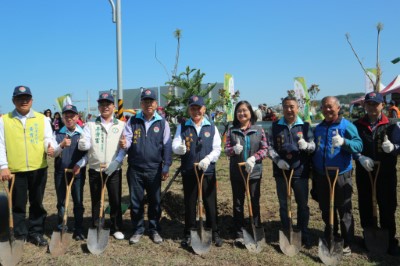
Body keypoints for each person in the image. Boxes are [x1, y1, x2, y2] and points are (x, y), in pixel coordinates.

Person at [0, 85, 53, 246]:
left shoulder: (42, 119)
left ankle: (36, 232)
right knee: (18, 204)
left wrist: (50, 147)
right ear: (13, 100)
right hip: (16, 170)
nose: (24, 101)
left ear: (32, 100)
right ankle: (20, 233)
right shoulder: (4, 120)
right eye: (19, 98)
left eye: (26, 98)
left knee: (37, 202)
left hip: (38, 168)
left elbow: (47, 139)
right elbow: (0, 144)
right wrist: (3, 166)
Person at [120, 89, 172, 245]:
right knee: (136, 202)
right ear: (141, 104)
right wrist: (124, 144)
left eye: (151, 101)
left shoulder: (162, 123)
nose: (148, 104)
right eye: (145, 101)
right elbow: (128, 140)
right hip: (135, 168)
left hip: (154, 169)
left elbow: (167, 145)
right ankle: (138, 229)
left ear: (156, 104)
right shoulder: (133, 121)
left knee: (155, 201)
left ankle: (154, 229)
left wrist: (166, 166)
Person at [312, 96, 363, 255]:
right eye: (324, 107)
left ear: (338, 108)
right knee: (326, 207)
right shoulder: (318, 127)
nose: (327, 110)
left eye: (330, 107)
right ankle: (331, 235)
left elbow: (358, 144)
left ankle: (348, 241)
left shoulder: (347, 125)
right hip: (322, 174)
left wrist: (344, 142)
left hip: (341, 174)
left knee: (344, 208)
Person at [172, 95, 223, 248]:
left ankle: (214, 231)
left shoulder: (211, 127)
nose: (196, 111)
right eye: (193, 108)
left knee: (210, 202)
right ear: (189, 110)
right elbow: (175, 144)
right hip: (189, 170)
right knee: (190, 202)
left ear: (204, 109)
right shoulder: (183, 127)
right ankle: (189, 232)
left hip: (207, 171)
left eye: (198, 108)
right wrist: (178, 149)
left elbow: (217, 149)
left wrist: (208, 159)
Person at [353, 92, 400, 256]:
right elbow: (352, 147)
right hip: (364, 172)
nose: (372, 107)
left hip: (386, 172)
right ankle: (368, 237)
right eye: (369, 104)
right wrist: (359, 157)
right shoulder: (357, 125)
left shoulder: (392, 124)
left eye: (376, 104)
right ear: (365, 105)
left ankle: (390, 240)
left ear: (383, 105)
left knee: (387, 205)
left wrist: (394, 148)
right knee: (365, 204)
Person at [78, 92, 126, 240]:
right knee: (97, 199)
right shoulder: (91, 124)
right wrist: (83, 144)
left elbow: (125, 147)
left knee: (115, 199)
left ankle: (116, 227)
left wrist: (117, 162)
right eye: (102, 105)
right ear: (98, 107)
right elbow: (84, 141)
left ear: (113, 107)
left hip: (114, 169)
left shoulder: (121, 125)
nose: (105, 107)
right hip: (95, 168)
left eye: (108, 104)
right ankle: (97, 224)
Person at [268, 96, 314, 246]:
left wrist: (307, 146)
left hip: (300, 171)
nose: (289, 109)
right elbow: (269, 147)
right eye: (286, 106)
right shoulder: (275, 126)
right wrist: (277, 160)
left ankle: (303, 232)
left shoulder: (305, 126)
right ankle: (287, 229)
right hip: (281, 172)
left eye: (292, 106)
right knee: (283, 203)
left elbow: (314, 146)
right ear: (283, 108)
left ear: (297, 108)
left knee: (302, 204)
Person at [224, 100, 268, 244]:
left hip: (254, 172)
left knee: (254, 200)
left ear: (250, 113)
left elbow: (265, 149)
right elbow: (226, 150)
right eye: (239, 111)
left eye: (245, 110)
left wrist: (254, 158)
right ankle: (239, 231)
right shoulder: (231, 130)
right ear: (236, 114)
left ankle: (255, 228)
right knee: (238, 202)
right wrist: (232, 150)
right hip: (237, 172)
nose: (242, 113)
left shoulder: (258, 130)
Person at [47, 104, 87, 241]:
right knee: (62, 201)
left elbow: (88, 155)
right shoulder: (57, 133)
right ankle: (61, 226)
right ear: (63, 118)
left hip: (77, 173)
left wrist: (79, 165)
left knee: (78, 201)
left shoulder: (83, 133)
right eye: (66, 116)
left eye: (72, 116)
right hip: (60, 172)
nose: (69, 118)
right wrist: (61, 145)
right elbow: (53, 153)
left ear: (77, 117)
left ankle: (78, 228)